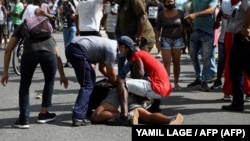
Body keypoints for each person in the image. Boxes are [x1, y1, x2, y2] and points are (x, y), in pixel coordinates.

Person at [0, 11, 68, 129]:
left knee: (25, 85)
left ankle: (23, 119)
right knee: (49, 81)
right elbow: (57, 55)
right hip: (49, 54)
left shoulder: (23, 25)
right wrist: (62, 75)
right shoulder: (47, 26)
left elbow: (8, 49)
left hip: (29, 53)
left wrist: (5, 72)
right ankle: (43, 113)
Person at [114, 36, 172, 124]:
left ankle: (124, 115)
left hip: (157, 88)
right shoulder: (143, 54)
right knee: (132, 82)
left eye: (119, 47)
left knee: (122, 83)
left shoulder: (136, 55)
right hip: (164, 89)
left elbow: (135, 75)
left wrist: (120, 59)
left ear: (123, 47)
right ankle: (154, 105)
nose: (119, 50)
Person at [65, 36, 118, 127]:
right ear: (122, 47)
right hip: (77, 50)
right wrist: (117, 83)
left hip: (73, 48)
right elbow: (111, 72)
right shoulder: (112, 49)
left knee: (89, 82)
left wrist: (109, 78)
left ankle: (86, 110)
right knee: (87, 85)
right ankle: (78, 117)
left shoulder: (109, 45)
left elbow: (102, 68)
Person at [91, 88, 184, 125]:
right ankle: (170, 120)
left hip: (118, 89)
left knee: (96, 116)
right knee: (146, 116)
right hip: (134, 92)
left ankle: (128, 115)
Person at [221, 0, 250, 112]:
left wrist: (245, 27)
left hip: (243, 39)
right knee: (244, 69)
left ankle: (238, 103)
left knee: (236, 70)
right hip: (242, 39)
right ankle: (237, 103)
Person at [184, 0, 218, 92]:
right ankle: (198, 78)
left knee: (206, 58)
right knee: (192, 56)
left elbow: (211, 10)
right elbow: (191, 10)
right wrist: (191, 23)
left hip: (207, 32)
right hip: (196, 31)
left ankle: (204, 81)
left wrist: (196, 15)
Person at [155, 0, 186, 91]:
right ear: (164, 3)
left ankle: (176, 83)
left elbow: (184, 26)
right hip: (165, 40)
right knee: (166, 63)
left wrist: (185, 39)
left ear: (174, 2)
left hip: (178, 40)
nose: (170, 3)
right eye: (168, 2)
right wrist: (157, 40)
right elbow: (157, 28)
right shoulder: (161, 14)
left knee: (176, 62)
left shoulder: (180, 13)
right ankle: (167, 83)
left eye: (171, 1)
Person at [59, 0, 78, 67]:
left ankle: (72, 60)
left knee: (72, 44)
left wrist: (68, 14)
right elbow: (60, 13)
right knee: (67, 45)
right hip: (65, 26)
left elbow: (76, 14)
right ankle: (69, 60)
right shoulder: (61, 3)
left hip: (73, 25)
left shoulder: (73, 2)